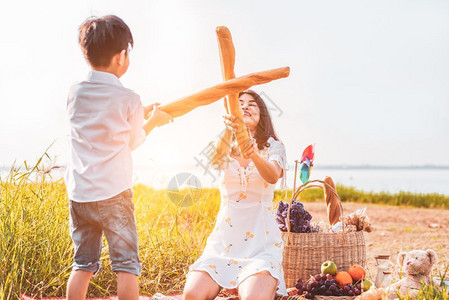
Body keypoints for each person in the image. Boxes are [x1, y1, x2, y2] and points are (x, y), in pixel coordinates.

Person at [65, 15, 173, 300]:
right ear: (120, 57)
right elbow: (133, 140)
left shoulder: (74, 93)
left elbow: (101, 124)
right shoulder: (130, 99)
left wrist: (140, 112)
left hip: (80, 194)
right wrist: (153, 121)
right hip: (114, 195)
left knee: (83, 265)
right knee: (126, 266)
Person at [183, 90, 288, 300]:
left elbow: (273, 175)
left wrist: (254, 155)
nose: (246, 107)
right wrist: (229, 129)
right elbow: (213, 161)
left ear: (262, 114)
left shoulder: (274, 146)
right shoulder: (223, 146)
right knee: (192, 295)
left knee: (253, 298)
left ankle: (261, 283)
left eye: (252, 104)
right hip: (223, 244)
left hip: (261, 246)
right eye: (239, 104)